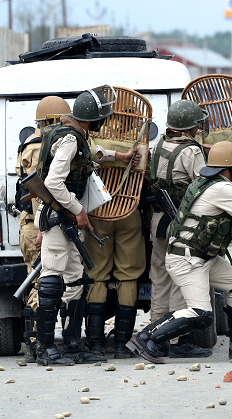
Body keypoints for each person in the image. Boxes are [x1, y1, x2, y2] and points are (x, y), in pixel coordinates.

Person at [128, 141, 232, 364]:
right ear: (229, 168)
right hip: (188, 260)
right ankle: (144, 337)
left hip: (199, 256)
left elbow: (220, 208)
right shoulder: (222, 188)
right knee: (201, 313)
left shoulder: (206, 182)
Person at [33, 86, 122, 366]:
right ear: (91, 119)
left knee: (74, 281)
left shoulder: (73, 136)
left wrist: (118, 156)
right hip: (61, 218)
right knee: (52, 279)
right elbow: (52, 183)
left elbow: (92, 155)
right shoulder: (70, 139)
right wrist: (78, 210)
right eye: (100, 118)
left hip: (67, 220)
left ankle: (71, 342)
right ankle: (45, 347)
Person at [144, 99, 211, 359]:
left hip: (158, 220)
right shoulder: (191, 152)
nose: (198, 129)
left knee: (159, 278)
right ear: (188, 128)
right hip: (180, 222)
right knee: (180, 279)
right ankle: (175, 340)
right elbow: (203, 185)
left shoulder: (159, 144)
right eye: (196, 125)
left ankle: (154, 334)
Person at [83, 111, 145, 360]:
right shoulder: (139, 143)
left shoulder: (91, 139)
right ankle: (121, 344)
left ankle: (95, 343)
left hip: (98, 212)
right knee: (128, 276)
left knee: (96, 275)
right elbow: (147, 175)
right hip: (129, 211)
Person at [16, 95, 72, 364]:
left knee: (36, 282)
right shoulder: (43, 146)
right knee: (43, 283)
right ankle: (39, 345)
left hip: (29, 224)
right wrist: (43, 226)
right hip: (40, 224)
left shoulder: (28, 143)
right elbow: (42, 191)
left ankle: (34, 343)